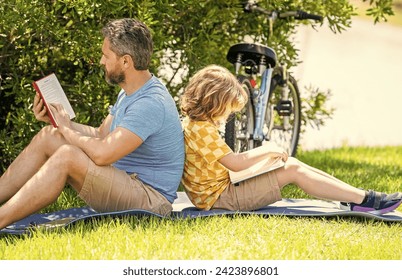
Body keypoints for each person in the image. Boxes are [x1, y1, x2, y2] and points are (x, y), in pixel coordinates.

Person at [0, 18, 184, 230]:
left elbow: (102, 154)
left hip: (150, 202)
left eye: (106, 56)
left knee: (67, 156)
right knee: (50, 135)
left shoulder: (150, 103)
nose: (101, 61)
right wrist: (59, 122)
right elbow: (100, 134)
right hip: (129, 184)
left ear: (126, 61)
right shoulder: (130, 91)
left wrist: (67, 129)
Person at [180, 64, 402, 214]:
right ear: (214, 102)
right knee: (292, 171)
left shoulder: (196, 124)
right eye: (228, 109)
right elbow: (236, 162)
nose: (228, 115)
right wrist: (267, 149)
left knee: (291, 164)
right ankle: (366, 200)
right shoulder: (202, 130)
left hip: (222, 189)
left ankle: (358, 197)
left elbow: (230, 164)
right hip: (221, 199)